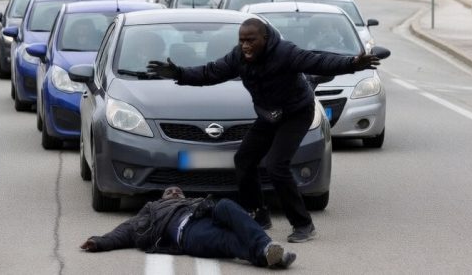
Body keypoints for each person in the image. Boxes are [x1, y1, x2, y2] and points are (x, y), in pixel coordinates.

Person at [147, 18, 380, 243]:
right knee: (244, 159)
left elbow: (318, 62)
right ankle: (258, 213)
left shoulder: (285, 53)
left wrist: (352, 64)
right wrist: (179, 73)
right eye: (242, 40)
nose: (246, 45)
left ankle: (303, 224)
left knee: (277, 165)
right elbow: (210, 72)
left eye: (251, 40)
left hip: (296, 113)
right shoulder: (238, 56)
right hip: (269, 115)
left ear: (266, 39)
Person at [79, 186, 296, 269]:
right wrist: (99, 242)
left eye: (177, 191)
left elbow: (216, 207)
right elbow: (123, 232)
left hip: (207, 214)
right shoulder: (152, 210)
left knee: (227, 206)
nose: (174, 192)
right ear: (162, 197)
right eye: (169, 191)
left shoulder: (194, 200)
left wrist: (206, 205)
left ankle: (266, 248)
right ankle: (269, 254)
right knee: (227, 240)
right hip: (189, 232)